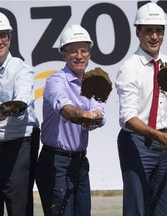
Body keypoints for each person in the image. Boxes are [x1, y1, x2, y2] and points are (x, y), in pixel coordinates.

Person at [115, 3, 167, 216]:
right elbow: (128, 118)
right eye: (148, 30)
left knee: (162, 211)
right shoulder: (129, 68)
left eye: (159, 30)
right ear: (138, 32)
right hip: (137, 144)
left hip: (163, 146)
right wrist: (158, 135)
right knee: (137, 210)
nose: (154, 36)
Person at [35, 24, 106, 216]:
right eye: (73, 51)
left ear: (89, 54)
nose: (79, 56)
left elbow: (100, 113)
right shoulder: (55, 81)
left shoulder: (91, 83)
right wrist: (88, 116)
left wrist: (96, 117)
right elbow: (66, 109)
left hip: (80, 163)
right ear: (63, 55)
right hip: (55, 163)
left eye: (84, 50)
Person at [0, 10, 40, 216]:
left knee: (19, 211)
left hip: (17, 148)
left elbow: (22, 101)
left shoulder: (22, 70)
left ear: (10, 39)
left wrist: (8, 110)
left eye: (3, 35)